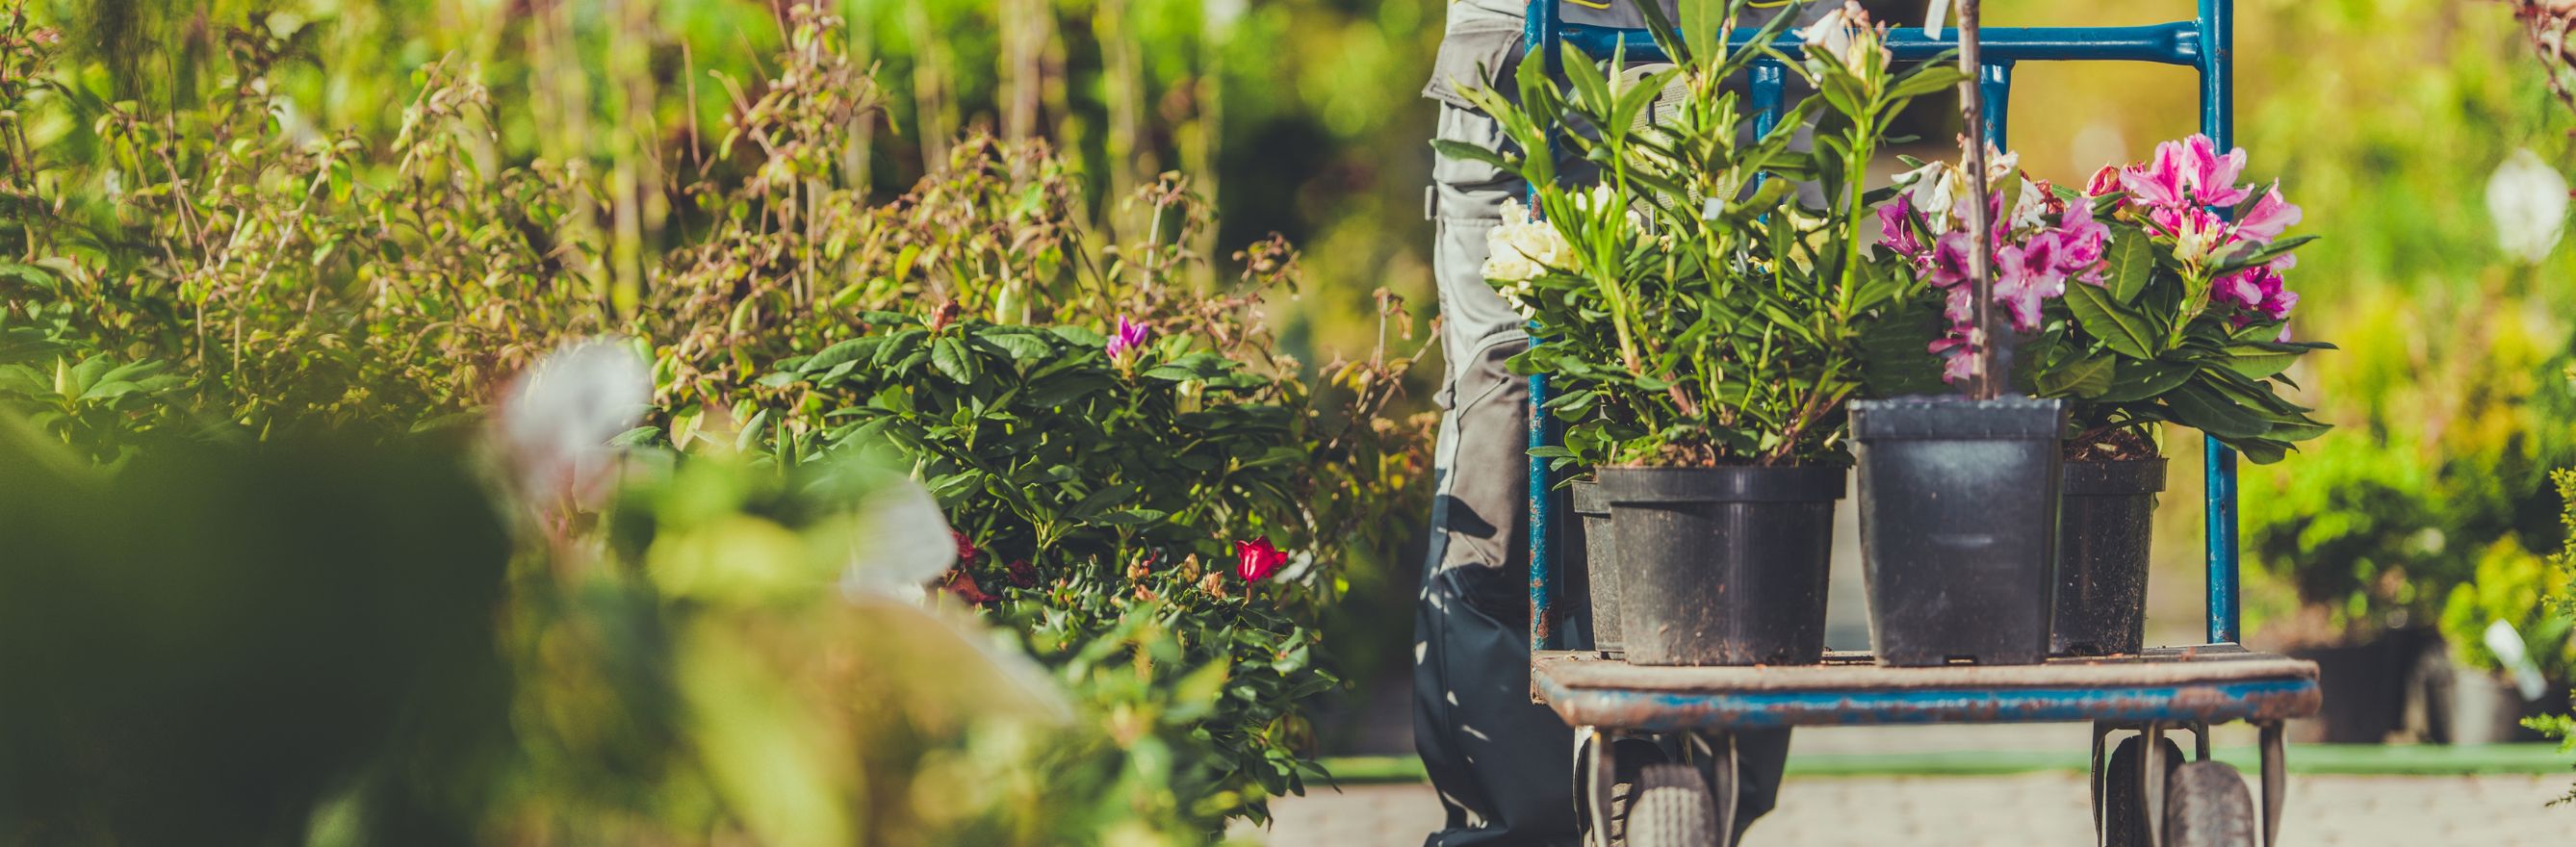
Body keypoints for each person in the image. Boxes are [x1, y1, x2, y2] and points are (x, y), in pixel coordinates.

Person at [1411, 1, 1826, 843]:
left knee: (1728, 408)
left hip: (1733, 51)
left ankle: (1688, 788)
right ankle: (1515, 822)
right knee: (1506, 418)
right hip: (1520, 53)